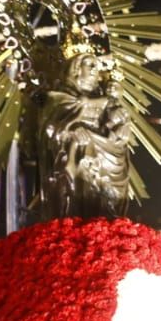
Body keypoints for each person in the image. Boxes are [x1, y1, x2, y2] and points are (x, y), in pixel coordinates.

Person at [35, 51, 131, 219]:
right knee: (81, 149)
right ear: (76, 68)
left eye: (97, 66)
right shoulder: (59, 98)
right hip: (76, 150)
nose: (96, 69)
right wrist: (71, 129)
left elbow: (119, 122)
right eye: (91, 65)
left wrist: (119, 127)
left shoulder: (105, 100)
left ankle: (108, 218)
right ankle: (76, 217)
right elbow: (49, 128)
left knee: (116, 162)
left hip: (107, 150)